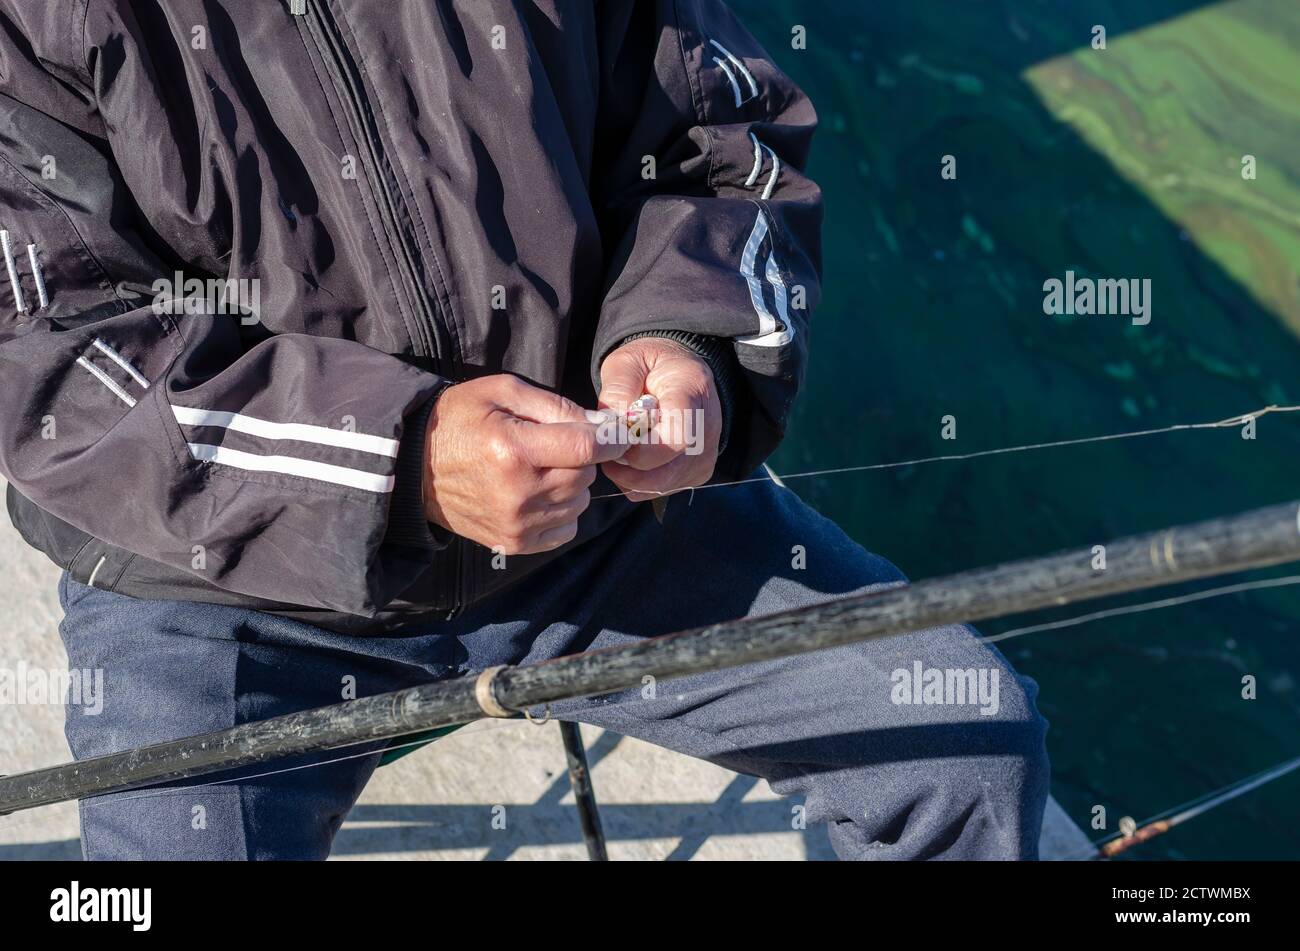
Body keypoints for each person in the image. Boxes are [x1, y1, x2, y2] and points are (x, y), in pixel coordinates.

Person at [0, 0, 1048, 860]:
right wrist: (405, 462)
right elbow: (51, 361)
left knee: (969, 750)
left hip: (604, 526)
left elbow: (717, 137)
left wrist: (687, 337)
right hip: (214, 585)